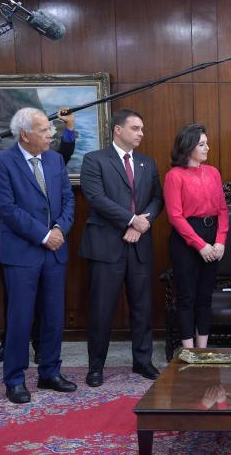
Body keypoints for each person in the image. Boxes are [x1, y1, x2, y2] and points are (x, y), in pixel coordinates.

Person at [0, 110, 77, 365]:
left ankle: (50, 372)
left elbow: (67, 199)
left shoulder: (54, 160)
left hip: (55, 251)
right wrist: (44, 235)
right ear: (25, 135)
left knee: (53, 316)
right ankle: (15, 379)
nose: (51, 134)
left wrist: (59, 229)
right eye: (44, 130)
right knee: (19, 317)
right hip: (21, 251)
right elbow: (6, 208)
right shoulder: (1, 162)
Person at [79, 109, 164, 388]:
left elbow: (157, 198)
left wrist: (141, 223)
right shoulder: (94, 160)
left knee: (142, 307)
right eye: (136, 128)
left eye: (142, 128)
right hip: (106, 245)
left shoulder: (146, 163)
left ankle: (142, 361)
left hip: (139, 245)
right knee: (102, 309)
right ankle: (96, 367)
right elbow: (95, 197)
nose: (141, 133)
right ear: (118, 130)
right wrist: (130, 220)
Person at [164, 124, 229, 349]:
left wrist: (220, 241)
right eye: (202, 144)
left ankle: (202, 350)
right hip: (186, 241)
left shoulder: (213, 172)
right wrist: (201, 245)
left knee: (205, 297)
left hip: (212, 236)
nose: (207, 148)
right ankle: (188, 351)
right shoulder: (175, 175)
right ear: (188, 146)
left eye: (206, 143)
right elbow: (175, 216)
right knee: (186, 297)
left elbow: (222, 209)